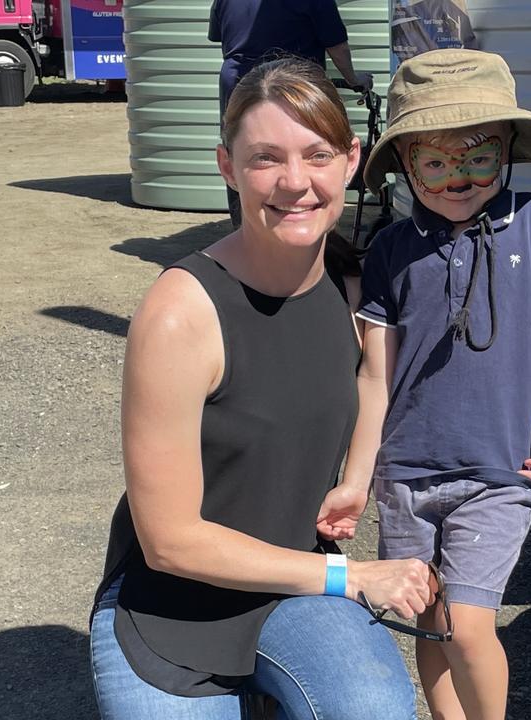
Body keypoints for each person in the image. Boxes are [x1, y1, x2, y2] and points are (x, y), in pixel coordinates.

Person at [89, 57, 430, 720]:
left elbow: (377, 376)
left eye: (316, 154)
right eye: (265, 158)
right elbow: (169, 542)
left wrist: (356, 477)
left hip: (293, 581)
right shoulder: (180, 312)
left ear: (351, 160)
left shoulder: (355, 286)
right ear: (227, 167)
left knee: (376, 710)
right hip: (171, 608)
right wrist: (351, 577)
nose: (295, 182)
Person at [334, 49, 531, 720]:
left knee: (466, 625)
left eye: (477, 156)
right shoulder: (390, 252)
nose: (456, 177)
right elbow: (374, 373)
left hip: (499, 473)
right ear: (404, 164)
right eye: (434, 161)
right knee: (429, 625)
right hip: (404, 476)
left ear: (508, 150)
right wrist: (355, 478)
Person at [208, 0, 374, 227]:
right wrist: (353, 78)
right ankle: (304, 228)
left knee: (246, 156)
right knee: (305, 157)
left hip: (238, 83)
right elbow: (337, 45)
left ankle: (245, 230)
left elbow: (221, 35)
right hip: (293, 86)